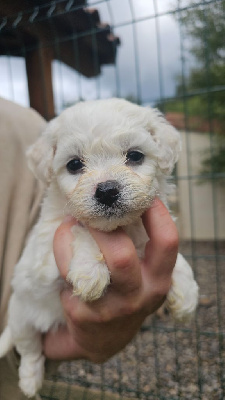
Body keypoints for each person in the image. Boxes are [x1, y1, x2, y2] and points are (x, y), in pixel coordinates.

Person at [0, 98, 178, 399]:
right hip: (26, 312)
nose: (106, 186)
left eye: (133, 156)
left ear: (161, 150)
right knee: (22, 327)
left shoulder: (24, 123)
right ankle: (30, 359)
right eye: (76, 165)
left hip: (61, 334)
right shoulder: (54, 207)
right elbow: (49, 258)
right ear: (50, 169)